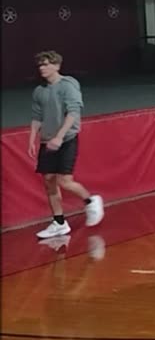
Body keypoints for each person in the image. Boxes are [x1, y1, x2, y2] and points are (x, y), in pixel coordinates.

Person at [27, 51, 104, 239]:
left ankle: (90, 201)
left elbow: (73, 113)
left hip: (66, 139)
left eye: (46, 64)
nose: (42, 68)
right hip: (47, 141)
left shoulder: (68, 85)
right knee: (49, 181)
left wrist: (60, 137)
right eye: (40, 65)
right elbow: (38, 117)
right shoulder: (39, 91)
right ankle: (59, 223)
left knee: (64, 180)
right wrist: (31, 139)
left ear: (56, 66)